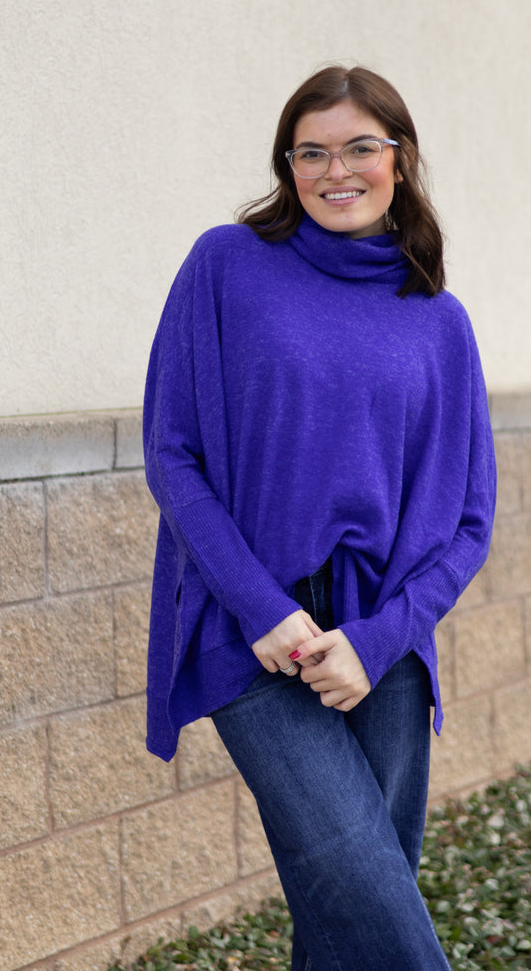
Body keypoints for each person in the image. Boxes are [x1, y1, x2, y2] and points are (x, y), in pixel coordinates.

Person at [143, 64, 497, 971]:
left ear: (400, 159)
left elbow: (469, 522)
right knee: (369, 895)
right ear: (288, 165)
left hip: (382, 644)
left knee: (348, 922)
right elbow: (173, 454)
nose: (336, 171)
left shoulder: (439, 319)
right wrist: (260, 609)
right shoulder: (227, 266)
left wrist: (377, 642)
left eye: (359, 148)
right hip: (252, 631)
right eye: (311, 153)